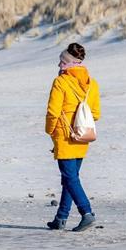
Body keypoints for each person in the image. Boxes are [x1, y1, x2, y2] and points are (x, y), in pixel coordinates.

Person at [44, 43, 101, 232]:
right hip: (83, 135)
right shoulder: (92, 84)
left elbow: (53, 111)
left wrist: (50, 131)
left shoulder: (60, 82)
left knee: (69, 177)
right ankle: (60, 218)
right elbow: (96, 113)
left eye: (62, 62)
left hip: (65, 135)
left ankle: (87, 213)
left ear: (70, 64)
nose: (59, 66)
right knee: (70, 177)